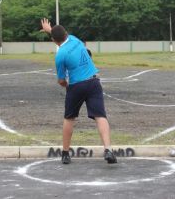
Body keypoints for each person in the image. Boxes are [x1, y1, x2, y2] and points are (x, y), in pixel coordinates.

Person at [40, 18, 117, 164]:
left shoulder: (60, 55)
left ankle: (65, 153)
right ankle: (108, 150)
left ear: (53, 41)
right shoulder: (75, 39)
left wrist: (66, 86)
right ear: (66, 33)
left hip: (76, 86)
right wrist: (50, 30)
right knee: (100, 116)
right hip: (94, 82)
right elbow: (60, 35)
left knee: (69, 117)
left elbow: (62, 80)